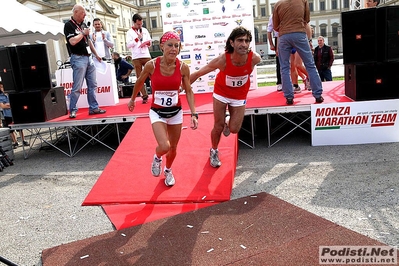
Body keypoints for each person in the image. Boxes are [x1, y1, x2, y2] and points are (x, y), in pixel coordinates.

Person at [127, 31, 198, 187]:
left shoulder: (183, 67)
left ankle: (168, 170)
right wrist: (133, 99)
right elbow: (139, 82)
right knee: (164, 146)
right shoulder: (152, 65)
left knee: (173, 148)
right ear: (162, 46)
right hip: (157, 112)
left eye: (176, 46)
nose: (173, 49)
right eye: (170, 45)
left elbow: (189, 91)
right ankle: (157, 158)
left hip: (176, 113)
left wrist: (194, 114)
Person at [190, 26, 261, 168]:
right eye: (240, 40)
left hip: (239, 96)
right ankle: (214, 150)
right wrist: (182, 86)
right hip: (221, 93)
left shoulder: (254, 58)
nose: (244, 44)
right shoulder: (222, 60)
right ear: (232, 43)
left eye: (247, 41)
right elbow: (198, 74)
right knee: (218, 126)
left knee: (234, 129)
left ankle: (229, 119)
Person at [273, 0, 324, 105]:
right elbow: (306, 20)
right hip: (299, 33)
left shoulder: (278, 4)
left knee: (284, 68)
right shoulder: (303, 1)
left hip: (284, 36)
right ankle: (318, 95)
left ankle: (289, 97)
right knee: (310, 65)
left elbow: (275, 27)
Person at [64, 4, 106, 118]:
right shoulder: (68, 25)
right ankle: (72, 109)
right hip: (78, 58)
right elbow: (72, 41)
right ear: (76, 12)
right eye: (83, 13)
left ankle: (93, 107)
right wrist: (83, 33)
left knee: (92, 84)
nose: (85, 15)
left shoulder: (82, 24)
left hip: (88, 57)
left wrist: (96, 54)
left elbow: (88, 41)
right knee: (77, 86)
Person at [126, 14, 151, 104]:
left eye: (141, 24)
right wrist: (137, 39)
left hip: (146, 54)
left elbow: (149, 41)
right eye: (138, 24)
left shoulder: (145, 30)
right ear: (134, 22)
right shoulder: (129, 32)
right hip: (136, 56)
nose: (140, 26)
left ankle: (157, 93)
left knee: (153, 73)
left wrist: (147, 43)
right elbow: (128, 45)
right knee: (140, 77)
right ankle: (144, 96)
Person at [0, 81, 29, 149]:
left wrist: (8, 104)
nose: (2, 88)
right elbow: (3, 106)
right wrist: (9, 105)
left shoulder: (11, 93)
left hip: (15, 113)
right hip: (7, 115)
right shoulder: (0, 96)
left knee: (20, 128)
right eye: (1, 87)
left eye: (3, 86)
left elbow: (16, 103)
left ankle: (23, 140)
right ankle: (15, 142)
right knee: (10, 129)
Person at [267, 14, 282, 92]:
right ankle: (280, 83)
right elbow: (269, 31)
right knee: (279, 61)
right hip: (278, 37)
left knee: (293, 62)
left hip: (288, 36)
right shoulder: (273, 16)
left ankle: (294, 83)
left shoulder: (288, 12)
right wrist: (271, 44)